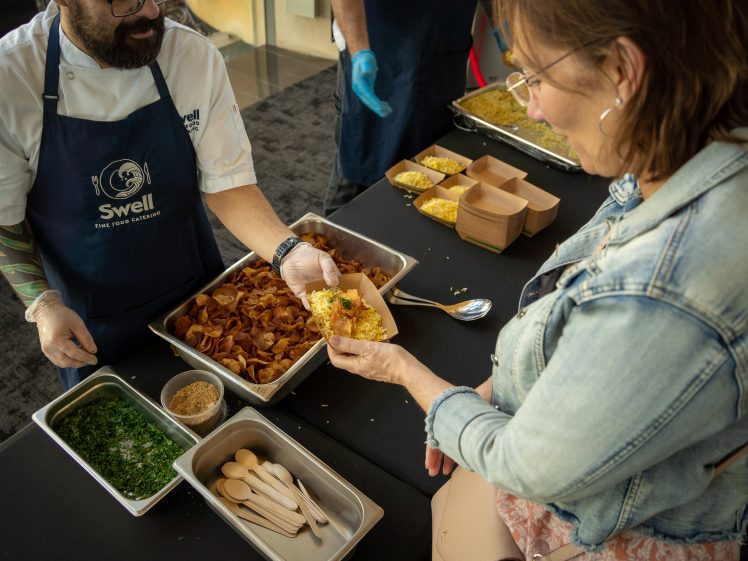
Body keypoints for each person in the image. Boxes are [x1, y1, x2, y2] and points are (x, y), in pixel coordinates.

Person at [327, 0, 748, 558]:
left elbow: (522, 466)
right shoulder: (701, 157)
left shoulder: (663, 292)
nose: (533, 108)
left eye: (537, 76)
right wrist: (509, 387)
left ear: (623, 69)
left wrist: (406, 371)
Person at [0, 0, 339, 390]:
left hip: (197, 297)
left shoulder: (191, 55)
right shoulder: (12, 76)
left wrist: (287, 251)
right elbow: (6, 218)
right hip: (88, 317)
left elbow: (228, 183)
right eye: (124, 1)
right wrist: (42, 305)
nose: (150, 13)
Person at [323, 0, 478, 215]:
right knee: (357, 167)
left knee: (431, 162)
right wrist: (359, 51)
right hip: (373, 47)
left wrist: (511, 34)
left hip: (442, 49)